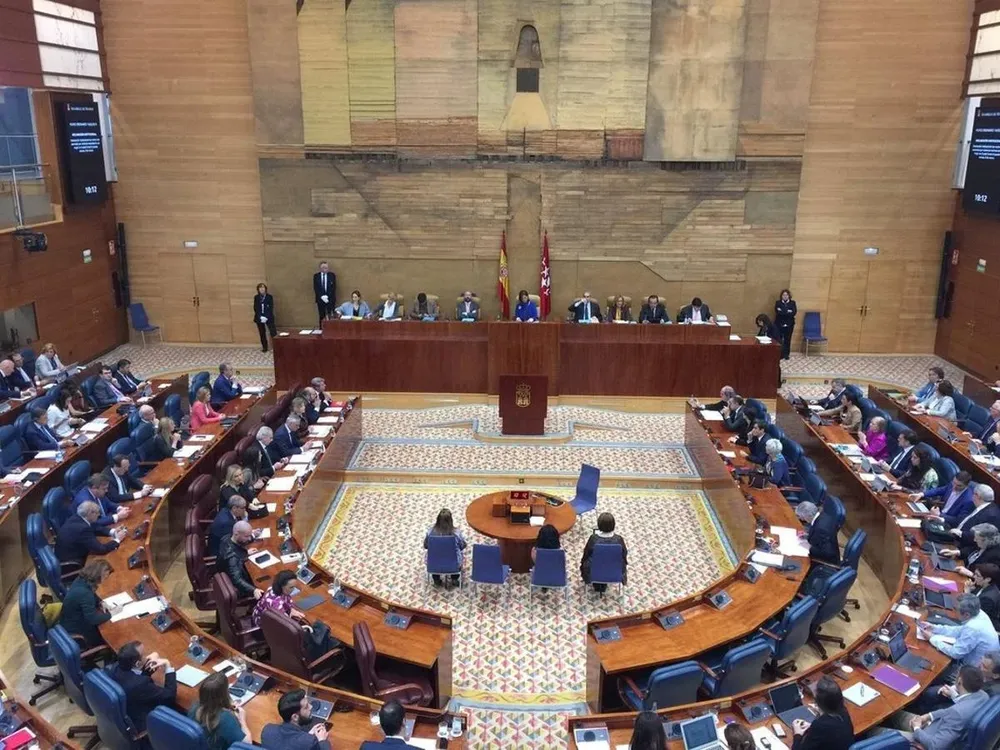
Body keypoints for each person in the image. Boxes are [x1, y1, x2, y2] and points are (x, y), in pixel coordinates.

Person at [879, 665, 988, 749]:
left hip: (923, 741)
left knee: (875, 732)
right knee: (895, 715)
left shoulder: (957, 713)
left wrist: (917, 728)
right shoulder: (983, 695)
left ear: (959, 681)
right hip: (935, 725)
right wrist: (929, 716)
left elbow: (935, 746)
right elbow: (951, 712)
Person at [918, 595, 999, 675]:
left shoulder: (973, 628)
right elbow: (959, 630)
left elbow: (956, 653)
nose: (954, 611)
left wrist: (932, 638)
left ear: (966, 614)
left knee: (930, 668)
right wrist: (935, 628)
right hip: (973, 661)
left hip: (973, 674)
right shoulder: (979, 614)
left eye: (955, 609)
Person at [110, 641, 178, 733]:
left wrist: (147, 668)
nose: (147, 656)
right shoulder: (139, 684)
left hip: (127, 708)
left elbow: (134, 676)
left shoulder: (117, 667)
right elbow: (169, 696)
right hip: (143, 721)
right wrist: (168, 666)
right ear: (138, 664)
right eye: (144, 654)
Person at [188, 672, 250, 750]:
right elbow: (247, 745)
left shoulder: (194, 706)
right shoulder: (226, 719)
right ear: (224, 694)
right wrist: (242, 720)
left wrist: (227, 705)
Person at [59, 559, 113, 648]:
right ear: (98, 575)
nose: (106, 579)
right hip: (79, 635)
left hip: (68, 624)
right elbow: (93, 619)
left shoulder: (81, 580)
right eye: (105, 576)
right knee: (111, 635)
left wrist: (100, 602)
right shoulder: (85, 594)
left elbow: (91, 593)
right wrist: (111, 614)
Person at [790, 676, 853, 750]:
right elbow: (832, 732)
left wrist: (797, 734)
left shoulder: (820, 725)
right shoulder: (844, 711)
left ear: (818, 703)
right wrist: (811, 728)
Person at [939, 486, 1000, 560]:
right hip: (955, 537)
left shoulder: (991, 515)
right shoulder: (978, 506)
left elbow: (981, 536)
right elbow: (961, 520)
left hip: (962, 546)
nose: (972, 496)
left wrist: (961, 533)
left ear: (977, 496)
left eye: (973, 494)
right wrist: (942, 519)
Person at [54, 501, 123, 566]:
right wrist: (117, 540)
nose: (99, 515)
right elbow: (101, 549)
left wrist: (113, 531)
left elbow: (95, 527)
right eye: (97, 513)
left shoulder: (78, 517)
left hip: (65, 553)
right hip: (72, 562)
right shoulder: (83, 529)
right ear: (90, 513)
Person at [260, 689, 331, 750]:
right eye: (306, 707)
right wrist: (322, 741)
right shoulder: (309, 742)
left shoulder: (267, 730)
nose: (311, 707)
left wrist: (307, 735)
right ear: (295, 717)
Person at [580, 512, 628, 592]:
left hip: (594, 570)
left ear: (599, 525)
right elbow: (624, 554)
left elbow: (586, 554)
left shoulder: (593, 539)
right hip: (614, 570)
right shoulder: (619, 539)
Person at [217, 521, 264, 600]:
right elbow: (237, 580)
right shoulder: (232, 557)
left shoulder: (226, 538)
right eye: (246, 536)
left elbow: (238, 546)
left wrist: (246, 552)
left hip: (231, 573)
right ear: (236, 534)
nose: (249, 538)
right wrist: (254, 590)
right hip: (236, 586)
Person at [424, 508, 466, 587]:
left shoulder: (430, 532)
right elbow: (462, 546)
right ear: (451, 520)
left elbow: (425, 546)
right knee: (459, 556)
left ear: (437, 520)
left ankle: (436, 580)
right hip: (453, 564)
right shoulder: (457, 533)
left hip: (434, 564)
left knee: (432, 557)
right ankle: (454, 579)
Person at [795, 501, 840, 565]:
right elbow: (820, 538)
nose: (803, 520)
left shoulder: (821, 528)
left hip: (824, 562)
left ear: (809, 516)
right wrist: (807, 535)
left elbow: (828, 553)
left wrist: (809, 547)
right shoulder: (822, 516)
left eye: (803, 517)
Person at [968, 563, 1000, 627]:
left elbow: (971, 614)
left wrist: (967, 592)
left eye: (977, 575)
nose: (974, 577)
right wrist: (971, 590)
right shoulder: (984, 585)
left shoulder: (988, 598)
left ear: (988, 579)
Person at [253, 282, 277, 352]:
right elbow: (255, 308)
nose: (262, 289)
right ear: (258, 289)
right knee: (262, 333)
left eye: (263, 287)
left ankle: (275, 347)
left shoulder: (269, 297)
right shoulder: (256, 297)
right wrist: (260, 317)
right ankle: (265, 347)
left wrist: (266, 317)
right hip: (259, 318)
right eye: (260, 288)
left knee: (273, 332)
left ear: (265, 289)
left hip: (268, 317)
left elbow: (270, 307)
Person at [774, 289, 797, 360]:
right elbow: (778, 313)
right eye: (783, 295)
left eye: (786, 295)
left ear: (789, 296)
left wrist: (783, 311)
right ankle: (779, 354)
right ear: (781, 296)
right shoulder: (778, 303)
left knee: (787, 340)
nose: (785, 296)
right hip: (779, 324)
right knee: (779, 339)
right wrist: (787, 311)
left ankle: (786, 354)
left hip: (789, 325)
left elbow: (793, 313)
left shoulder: (792, 303)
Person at [313, 261, 336, 326]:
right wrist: (321, 296)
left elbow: (333, 287)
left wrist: (327, 296)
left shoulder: (332, 275)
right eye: (323, 267)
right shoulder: (316, 276)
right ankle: (321, 329)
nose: (325, 269)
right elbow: (316, 288)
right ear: (320, 268)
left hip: (330, 299)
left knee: (330, 315)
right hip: (320, 299)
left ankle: (331, 330)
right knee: (321, 315)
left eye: (326, 267)